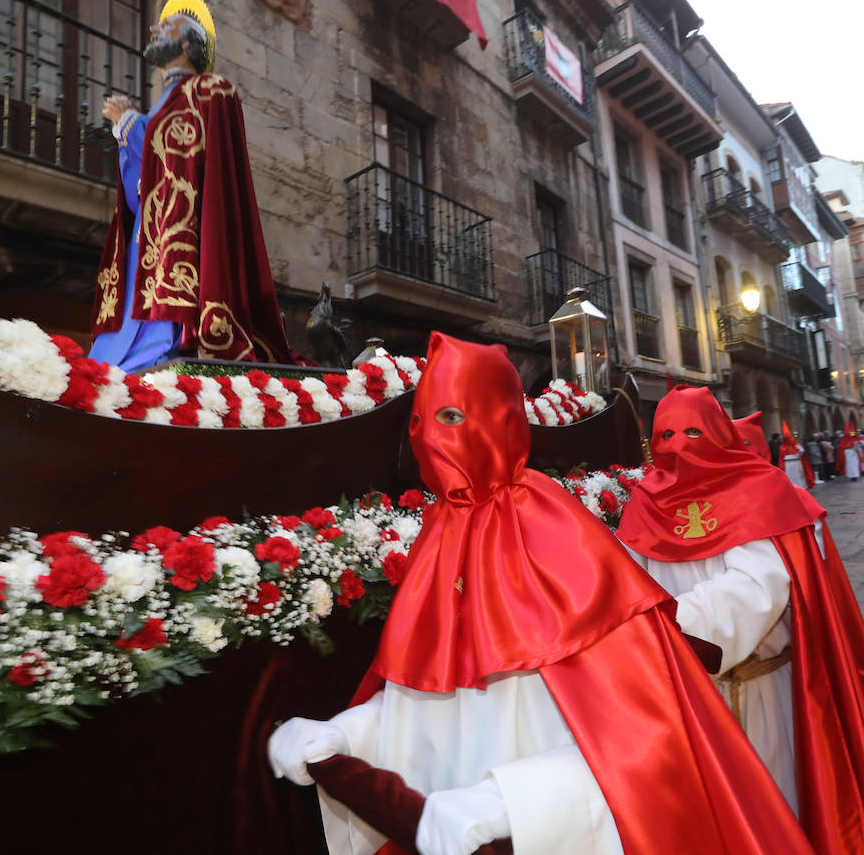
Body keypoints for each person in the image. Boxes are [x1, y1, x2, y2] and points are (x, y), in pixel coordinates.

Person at [268, 333, 813, 855]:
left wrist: (507, 802)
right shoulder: (442, 535)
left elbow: (645, 731)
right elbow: (429, 707)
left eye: (454, 417)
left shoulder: (557, 537)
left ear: (501, 421)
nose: (433, 438)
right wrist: (341, 732)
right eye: (421, 420)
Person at [617, 386, 864, 855]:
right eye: (665, 434)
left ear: (717, 431)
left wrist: (664, 624)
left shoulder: (758, 490)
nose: (677, 445)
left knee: (774, 808)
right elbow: (626, 576)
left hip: (757, 686)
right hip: (682, 689)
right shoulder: (643, 502)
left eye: (692, 431)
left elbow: (761, 583)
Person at [92, 0, 295, 370]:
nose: (154, 28)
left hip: (189, 236)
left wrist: (131, 125)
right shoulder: (160, 103)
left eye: (166, 26)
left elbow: (182, 150)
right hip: (152, 240)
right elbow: (144, 190)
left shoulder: (213, 91)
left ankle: (170, 343)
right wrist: (127, 135)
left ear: (187, 44)